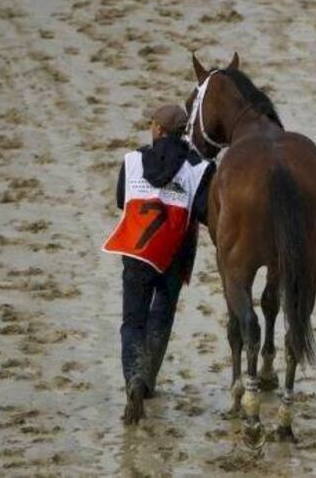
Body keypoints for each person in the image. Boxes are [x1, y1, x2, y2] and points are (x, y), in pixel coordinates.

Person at [102, 104, 215, 425]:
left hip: (136, 254)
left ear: (159, 130)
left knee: (132, 321)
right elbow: (205, 213)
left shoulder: (133, 160)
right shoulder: (199, 167)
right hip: (173, 255)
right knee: (161, 316)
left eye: (152, 123)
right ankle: (147, 381)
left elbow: (121, 200)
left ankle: (134, 378)